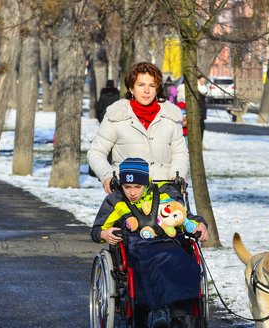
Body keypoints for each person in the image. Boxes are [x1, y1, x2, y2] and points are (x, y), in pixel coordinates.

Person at [91, 157, 208, 327]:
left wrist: (202, 225)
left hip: (169, 242)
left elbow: (184, 217)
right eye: (127, 187)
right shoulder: (115, 200)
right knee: (154, 262)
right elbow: (95, 230)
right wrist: (104, 232)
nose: (132, 192)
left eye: (137, 187)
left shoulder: (164, 194)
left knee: (184, 260)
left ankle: (181, 307)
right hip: (138, 246)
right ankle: (159, 309)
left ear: (146, 183)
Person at [87, 62, 189, 194]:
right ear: (131, 88)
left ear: (157, 88)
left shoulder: (170, 116)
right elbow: (96, 152)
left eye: (152, 85)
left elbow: (180, 153)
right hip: (127, 193)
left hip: (165, 192)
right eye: (141, 85)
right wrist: (107, 176)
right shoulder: (116, 115)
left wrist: (177, 175)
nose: (146, 90)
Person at [197, 75, 208, 141]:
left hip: (202, 113)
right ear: (198, 80)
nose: (203, 82)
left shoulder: (204, 89)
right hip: (198, 113)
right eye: (201, 81)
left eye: (204, 81)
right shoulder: (196, 89)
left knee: (202, 128)